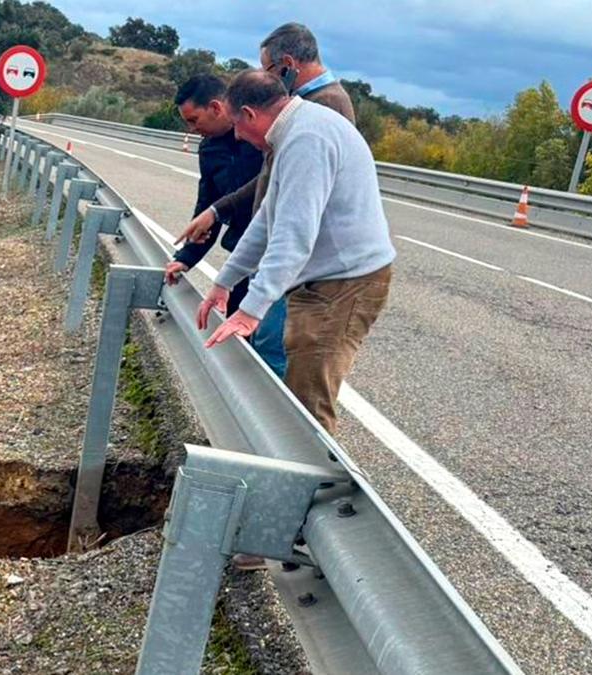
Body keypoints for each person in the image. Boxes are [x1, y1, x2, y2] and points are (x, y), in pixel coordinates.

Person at [200, 71, 395, 572]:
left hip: (344, 285)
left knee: (306, 407)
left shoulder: (306, 140)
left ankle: (310, 535)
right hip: (322, 283)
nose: (238, 139)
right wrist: (225, 281)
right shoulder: (294, 133)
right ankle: (284, 522)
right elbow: (265, 221)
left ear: (248, 114)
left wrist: (249, 311)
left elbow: (293, 237)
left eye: (239, 129)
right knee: (291, 399)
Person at [176, 23, 357, 376]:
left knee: (276, 356)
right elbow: (271, 195)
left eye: (268, 71)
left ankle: (270, 427)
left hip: (304, 268)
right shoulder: (301, 109)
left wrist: (251, 304)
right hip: (280, 258)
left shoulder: (323, 108)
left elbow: (295, 217)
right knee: (262, 350)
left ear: (287, 63)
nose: (242, 135)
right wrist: (215, 258)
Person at [163, 75, 281, 375]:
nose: (192, 129)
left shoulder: (261, 138)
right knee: (237, 331)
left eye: (194, 119)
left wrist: (216, 211)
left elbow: (266, 185)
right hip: (243, 253)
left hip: (275, 254)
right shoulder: (209, 149)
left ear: (217, 107)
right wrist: (185, 259)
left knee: (269, 340)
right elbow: (207, 206)